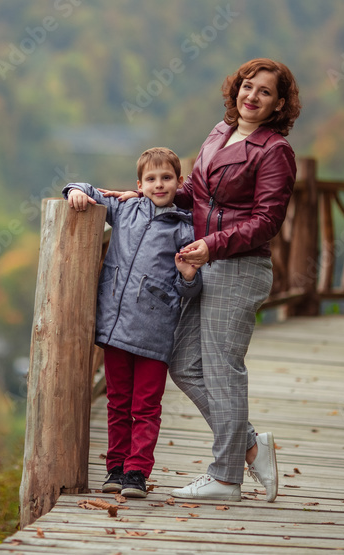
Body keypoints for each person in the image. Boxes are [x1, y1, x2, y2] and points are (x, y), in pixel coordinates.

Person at [106, 58, 300, 502]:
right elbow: (193, 189)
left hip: (238, 266)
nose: (251, 96)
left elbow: (267, 220)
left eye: (265, 92)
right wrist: (147, 195)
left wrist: (214, 244)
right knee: (183, 363)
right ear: (236, 90)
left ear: (279, 104)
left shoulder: (275, 152)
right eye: (247, 86)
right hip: (204, 262)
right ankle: (249, 444)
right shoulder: (219, 131)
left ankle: (226, 476)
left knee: (223, 370)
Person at [62, 147, 202, 499]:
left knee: (146, 406)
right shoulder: (125, 210)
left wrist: (187, 277)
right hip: (116, 331)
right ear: (139, 184)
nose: (159, 185)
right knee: (117, 402)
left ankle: (137, 472)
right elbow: (90, 190)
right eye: (151, 179)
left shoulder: (184, 230)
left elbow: (192, 288)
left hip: (155, 336)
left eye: (166, 178)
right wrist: (75, 191)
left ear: (179, 182)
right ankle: (115, 467)